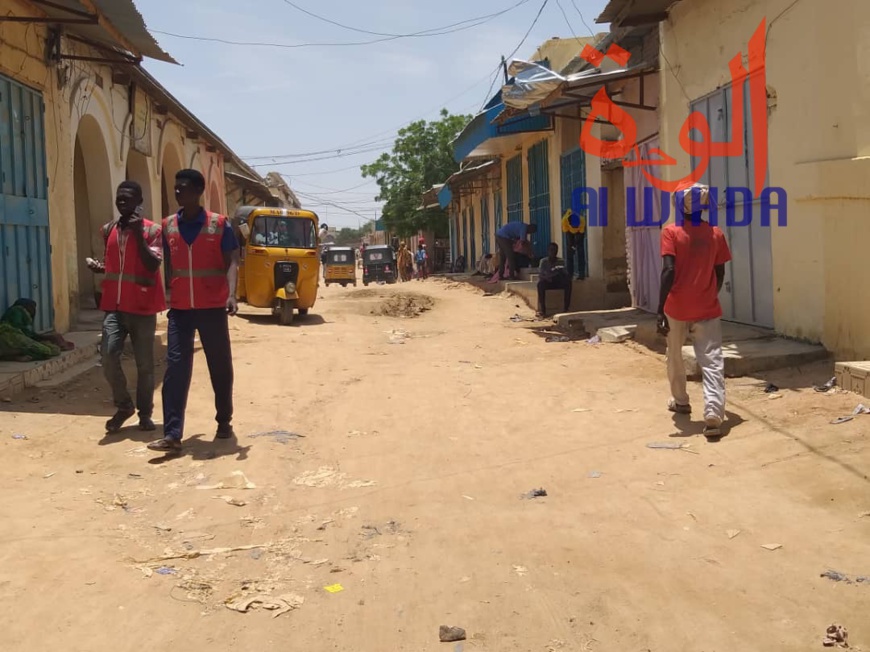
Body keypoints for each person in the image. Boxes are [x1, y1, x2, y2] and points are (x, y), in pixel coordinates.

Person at [147, 169, 240, 455]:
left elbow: (232, 261)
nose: (177, 192)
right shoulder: (168, 226)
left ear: (198, 191)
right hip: (181, 310)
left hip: (212, 307)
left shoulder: (218, 224)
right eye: (175, 188)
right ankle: (172, 434)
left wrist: (232, 294)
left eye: (183, 188)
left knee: (219, 366)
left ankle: (224, 420)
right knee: (175, 369)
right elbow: (156, 259)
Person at [87, 181, 165, 433]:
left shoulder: (152, 230)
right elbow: (117, 266)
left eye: (128, 198)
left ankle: (145, 414)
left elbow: (153, 264)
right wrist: (101, 268)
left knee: (144, 364)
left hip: (142, 307)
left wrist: (137, 234)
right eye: (119, 198)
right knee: (108, 357)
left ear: (139, 202)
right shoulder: (108, 229)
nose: (122, 202)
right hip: (115, 307)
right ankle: (124, 406)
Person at [657, 182, 732, 438]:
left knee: (674, 356)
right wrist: (709, 293)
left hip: (676, 307)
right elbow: (720, 271)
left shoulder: (671, 232)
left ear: (678, 204)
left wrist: (659, 309)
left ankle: (680, 400)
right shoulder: (716, 233)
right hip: (707, 307)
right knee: (711, 361)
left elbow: (668, 270)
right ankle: (713, 412)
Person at [0, 299, 64, 361]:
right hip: (10, 339)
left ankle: (14, 355)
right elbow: (20, 328)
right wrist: (40, 338)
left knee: (50, 349)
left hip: (12, 340)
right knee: (46, 351)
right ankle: (15, 356)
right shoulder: (17, 311)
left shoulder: (15, 314)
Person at [536, 243, 572, 318]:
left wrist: (560, 271)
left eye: (555, 250)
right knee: (540, 284)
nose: (553, 252)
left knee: (568, 283)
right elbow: (541, 274)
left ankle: (566, 308)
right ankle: (543, 310)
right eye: (551, 250)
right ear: (548, 251)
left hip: (557, 281)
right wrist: (549, 276)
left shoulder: (561, 261)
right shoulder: (543, 261)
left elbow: (565, 273)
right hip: (547, 281)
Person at [561, 209, 587, 280]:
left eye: (576, 226)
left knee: (580, 251)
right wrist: (571, 245)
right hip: (569, 232)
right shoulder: (564, 221)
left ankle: (581, 274)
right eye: (574, 226)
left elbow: (580, 235)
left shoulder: (582, 220)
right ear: (569, 224)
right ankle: (570, 274)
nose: (575, 227)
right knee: (569, 252)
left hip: (579, 233)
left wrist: (575, 244)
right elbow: (568, 234)